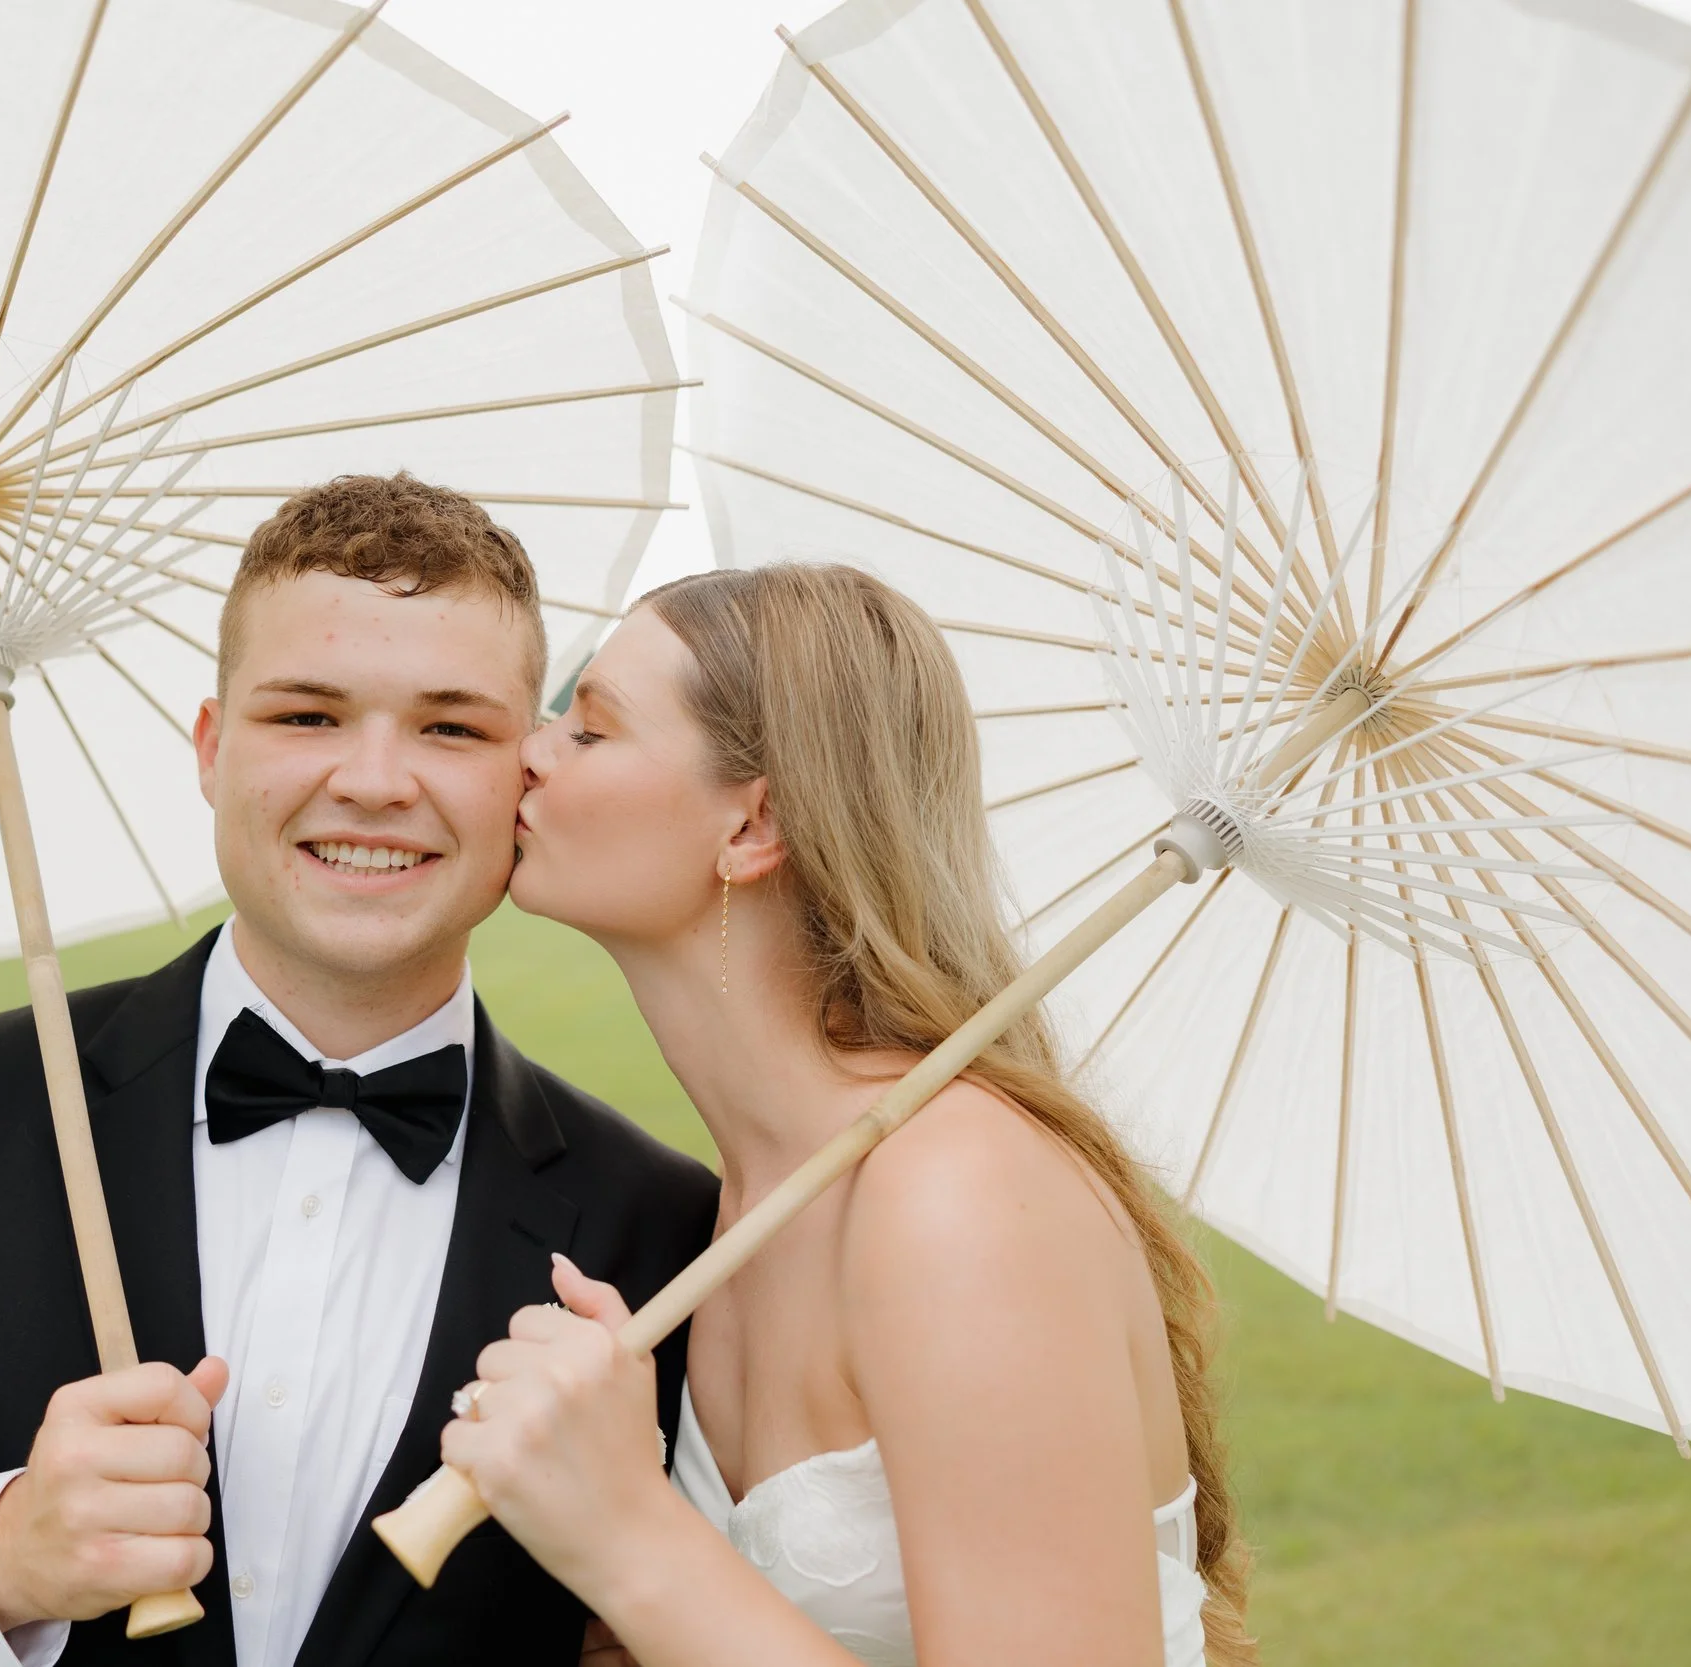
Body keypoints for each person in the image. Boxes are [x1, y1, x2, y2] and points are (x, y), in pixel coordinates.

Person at [0, 474, 720, 1667]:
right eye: (306, 715)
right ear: (211, 749)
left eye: (450, 726)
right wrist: (1, 1553)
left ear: (525, 776)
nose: (371, 778)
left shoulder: (659, 1228)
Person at [436, 564, 1258, 1667]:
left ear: (751, 824)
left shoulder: (955, 1192)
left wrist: (628, 1535)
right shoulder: (737, 1202)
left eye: (589, 726)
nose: (526, 750)